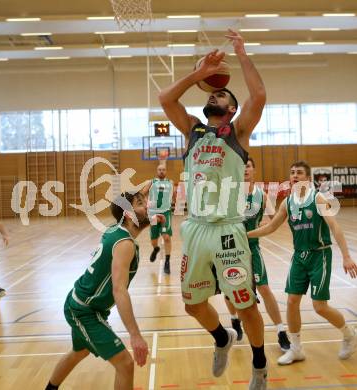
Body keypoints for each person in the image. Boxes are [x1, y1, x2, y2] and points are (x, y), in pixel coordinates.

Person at [159, 29, 267, 389]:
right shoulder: (192, 130)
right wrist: (198, 76)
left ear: (231, 109)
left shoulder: (238, 132)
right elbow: (165, 98)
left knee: (245, 304)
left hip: (228, 229)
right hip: (195, 228)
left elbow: (260, 94)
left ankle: (260, 365)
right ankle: (222, 338)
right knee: (193, 305)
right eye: (213, 92)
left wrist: (241, 52)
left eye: (221, 93)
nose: (215, 95)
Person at [45, 191, 165, 390]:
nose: (147, 205)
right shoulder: (124, 244)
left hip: (85, 303)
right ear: (128, 214)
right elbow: (119, 290)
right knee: (125, 364)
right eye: (141, 203)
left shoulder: (115, 230)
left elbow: (126, 204)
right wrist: (135, 335)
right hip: (84, 311)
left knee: (79, 352)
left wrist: (145, 210)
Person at [248, 160, 357, 365]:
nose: (295, 176)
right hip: (299, 256)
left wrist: (347, 256)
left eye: (299, 172)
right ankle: (296, 349)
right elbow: (271, 227)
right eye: (292, 173)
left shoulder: (318, 198)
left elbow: (335, 227)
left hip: (320, 255)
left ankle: (349, 334)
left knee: (319, 306)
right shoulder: (287, 202)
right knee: (291, 301)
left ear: (307, 178)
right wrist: (245, 234)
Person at [225, 158, 291, 352]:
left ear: (253, 170)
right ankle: (235, 320)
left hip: (252, 248)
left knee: (264, 288)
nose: (245, 169)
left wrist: (255, 230)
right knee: (231, 291)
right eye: (241, 167)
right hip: (231, 249)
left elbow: (274, 221)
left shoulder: (261, 196)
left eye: (248, 166)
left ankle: (281, 332)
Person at [148, 164, 174, 274]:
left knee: (166, 237)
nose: (162, 171)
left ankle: (167, 262)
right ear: (156, 171)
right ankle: (155, 249)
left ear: (166, 171)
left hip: (166, 213)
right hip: (153, 213)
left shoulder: (170, 182)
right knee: (154, 239)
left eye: (163, 169)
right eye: (160, 169)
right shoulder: (151, 182)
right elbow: (143, 194)